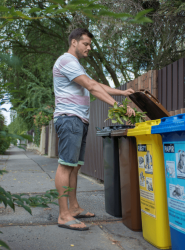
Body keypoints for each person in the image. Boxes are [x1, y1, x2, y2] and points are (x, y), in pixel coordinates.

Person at [53, 28, 135, 231]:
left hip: (79, 119)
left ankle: (74, 208)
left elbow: (95, 83)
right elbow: (91, 86)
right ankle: (64, 215)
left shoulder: (76, 65)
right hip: (69, 118)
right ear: (74, 42)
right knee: (65, 165)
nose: (89, 48)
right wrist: (117, 107)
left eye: (89, 44)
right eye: (86, 44)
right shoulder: (66, 61)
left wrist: (122, 92)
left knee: (74, 166)